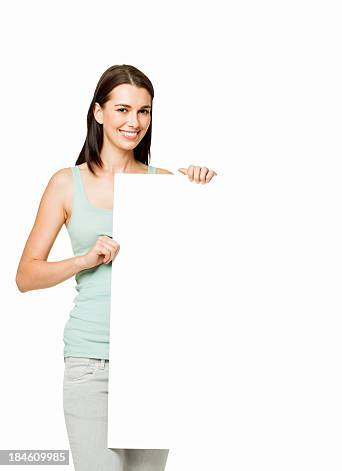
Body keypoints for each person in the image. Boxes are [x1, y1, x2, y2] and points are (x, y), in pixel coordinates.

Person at [15, 64, 217, 470]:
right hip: (91, 363)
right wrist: (84, 259)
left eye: (144, 111)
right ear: (98, 112)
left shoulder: (165, 184)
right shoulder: (65, 183)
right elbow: (26, 275)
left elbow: (203, 269)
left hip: (154, 359)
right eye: (123, 109)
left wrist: (201, 193)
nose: (134, 121)